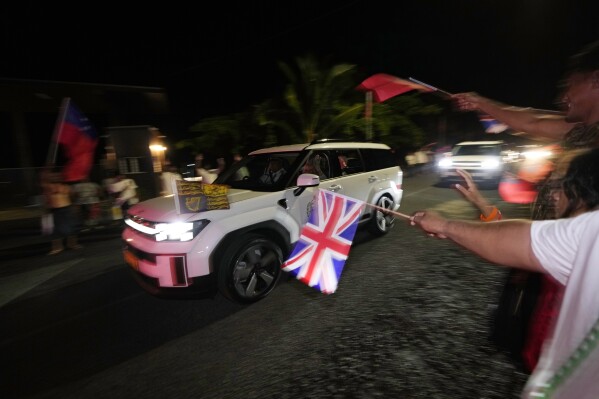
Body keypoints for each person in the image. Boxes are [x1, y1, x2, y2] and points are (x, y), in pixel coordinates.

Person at [452, 39, 599, 372]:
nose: (562, 95)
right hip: (545, 266)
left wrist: (448, 226)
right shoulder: (581, 130)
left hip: (571, 280)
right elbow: (531, 120)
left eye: (569, 85)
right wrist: (479, 103)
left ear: (596, 80)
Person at [410, 148, 599, 398]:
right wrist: (480, 203)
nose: (552, 195)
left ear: (585, 192)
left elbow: (517, 243)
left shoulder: (588, 234)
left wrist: (445, 225)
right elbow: (511, 240)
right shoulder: (579, 237)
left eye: (562, 185)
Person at [41, 170, 81, 255]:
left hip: (67, 208)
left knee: (72, 228)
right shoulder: (48, 186)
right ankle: (57, 248)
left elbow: (73, 197)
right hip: (55, 210)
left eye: (58, 176)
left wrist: (75, 203)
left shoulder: (67, 187)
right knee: (55, 230)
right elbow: (43, 181)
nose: (57, 177)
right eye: (54, 176)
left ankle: (72, 244)